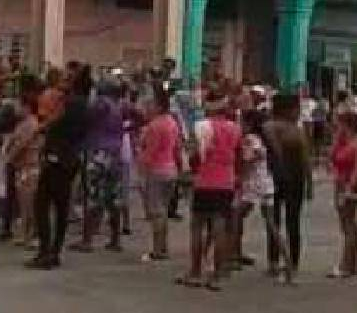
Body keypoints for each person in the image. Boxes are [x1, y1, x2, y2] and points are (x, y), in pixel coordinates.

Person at [177, 90, 241, 291]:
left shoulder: (201, 127)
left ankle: (195, 271)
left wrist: (190, 170)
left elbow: (194, 156)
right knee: (219, 228)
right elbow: (240, 156)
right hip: (226, 182)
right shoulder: (235, 129)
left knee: (197, 227)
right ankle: (217, 275)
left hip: (204, 181)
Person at [26, 66, 87, 270]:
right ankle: (55, 251)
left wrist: (37, 131)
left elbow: (52, 121)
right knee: (62, 207)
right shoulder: (85, 105)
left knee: (42, 203)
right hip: (71, 158)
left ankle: (45, 251)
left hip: (56, 157)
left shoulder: (68, 104)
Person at [71, 79, 130, 253]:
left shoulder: (101, 104)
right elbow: (138, 117)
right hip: (115, 153)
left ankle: (87, 240)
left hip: (98, 152)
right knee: (113, 198)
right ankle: (115, 239)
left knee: (93, 196)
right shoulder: (120, 106)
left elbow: (86, 120)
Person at [263, 94, 312, 276]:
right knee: (292, 221)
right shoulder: (296, 131)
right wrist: (309, 183)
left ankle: (274, 260)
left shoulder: (268, 127)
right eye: (296, 109)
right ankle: (292, 259)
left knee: (273, 220)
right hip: (293, 178)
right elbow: (305, 159)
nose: (299, 112)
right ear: (287, 110)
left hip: (274, 177)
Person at [233, 108, 283, 278]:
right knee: (271, 224)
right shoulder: (264, 139)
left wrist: (239, 178)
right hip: (266, 182)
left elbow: (248, 162)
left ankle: (232, 255)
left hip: (253, 184)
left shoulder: (250, 139)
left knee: (236, 217)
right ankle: (284, 260)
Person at [137, 86, 182, 263]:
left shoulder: (155, 126)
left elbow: (150, 152)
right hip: (170, 168)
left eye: (151, 104)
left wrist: (141, 170)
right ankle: (163, 246)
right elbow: (177, 147)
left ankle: (158, 249)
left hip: (156, 170)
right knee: (163, 210)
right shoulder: (172, 122)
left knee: (157, 212)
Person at [328, 110, 357, 279]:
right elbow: (332, 156)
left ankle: (347, 264)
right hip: (339, 183)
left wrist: (350, 189)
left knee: (349, 224)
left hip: (349, 186)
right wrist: (337, 140)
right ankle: (350, 263)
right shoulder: (345, 142)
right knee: (345, 225)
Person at [5, 88, 44, 248]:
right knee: (23, 203)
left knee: (29, 204)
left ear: (27, 107)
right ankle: (25, 234)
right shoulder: (24, 124)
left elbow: (21, 144)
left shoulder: (30, 124)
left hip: (30, 167)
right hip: (23, 167)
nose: (16, 109)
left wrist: (9, 158)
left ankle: (32, 234)